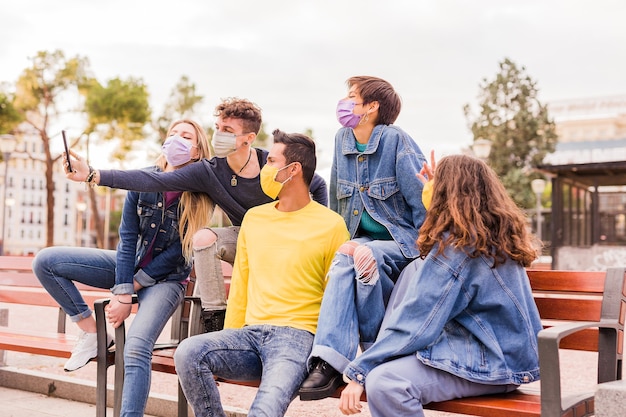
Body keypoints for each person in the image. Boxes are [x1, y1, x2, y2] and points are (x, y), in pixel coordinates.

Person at [63, 98, 328, 333]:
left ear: (248, 138)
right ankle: (215, 318)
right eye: (218, 128)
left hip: (285, 240)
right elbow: (152, 180)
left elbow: (316, 184)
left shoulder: (267, 164)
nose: (219, 135)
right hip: (246, 239)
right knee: (203, 238)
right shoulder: (208, 171)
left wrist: (314, 227)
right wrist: (93, 175)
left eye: (228, 131)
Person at [338, 154, 543, 417]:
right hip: (508, 357)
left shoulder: (460, 249)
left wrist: (360, 370)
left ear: (448, 195)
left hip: (495, 362)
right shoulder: (491, 237)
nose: (428, 194)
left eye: (436, 189)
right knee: (412, 271)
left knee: (387, 383)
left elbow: (419, 319)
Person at [34, 119, 213, 417]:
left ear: (196, 151)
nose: (176, 140)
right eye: (172, 133)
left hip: (167, 281)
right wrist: (123, 288)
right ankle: (92, 331)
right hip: (129, 268)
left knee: (136, 348)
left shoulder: (199, 193)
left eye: (186, 136)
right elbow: (127, 237)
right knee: (46, 261)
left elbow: (180, 254)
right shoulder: (142, 179)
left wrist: (129, 292)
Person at [173, 129, 349, 417]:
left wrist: (327, 356)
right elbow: (241, 284)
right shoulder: (255, 219)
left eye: (271, 162)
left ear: (293, 170)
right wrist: (229, 336)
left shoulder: (331, 225)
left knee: (264, 411)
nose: (264, 169)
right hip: (249, 336)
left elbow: (338, 298)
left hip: (297, 338)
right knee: (188, 352)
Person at [299, 75, 427, 400]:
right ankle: (330, 362)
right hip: (361, 244)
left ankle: (360, 357)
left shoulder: (397, 142)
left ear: (372, 107)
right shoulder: (343, 139)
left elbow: (423, 203)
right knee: (347, 257)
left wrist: (430, 256)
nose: (345, 103)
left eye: (352, 97)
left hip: (405, 244)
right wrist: (343, 242)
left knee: (360, 256)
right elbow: (338, 206)